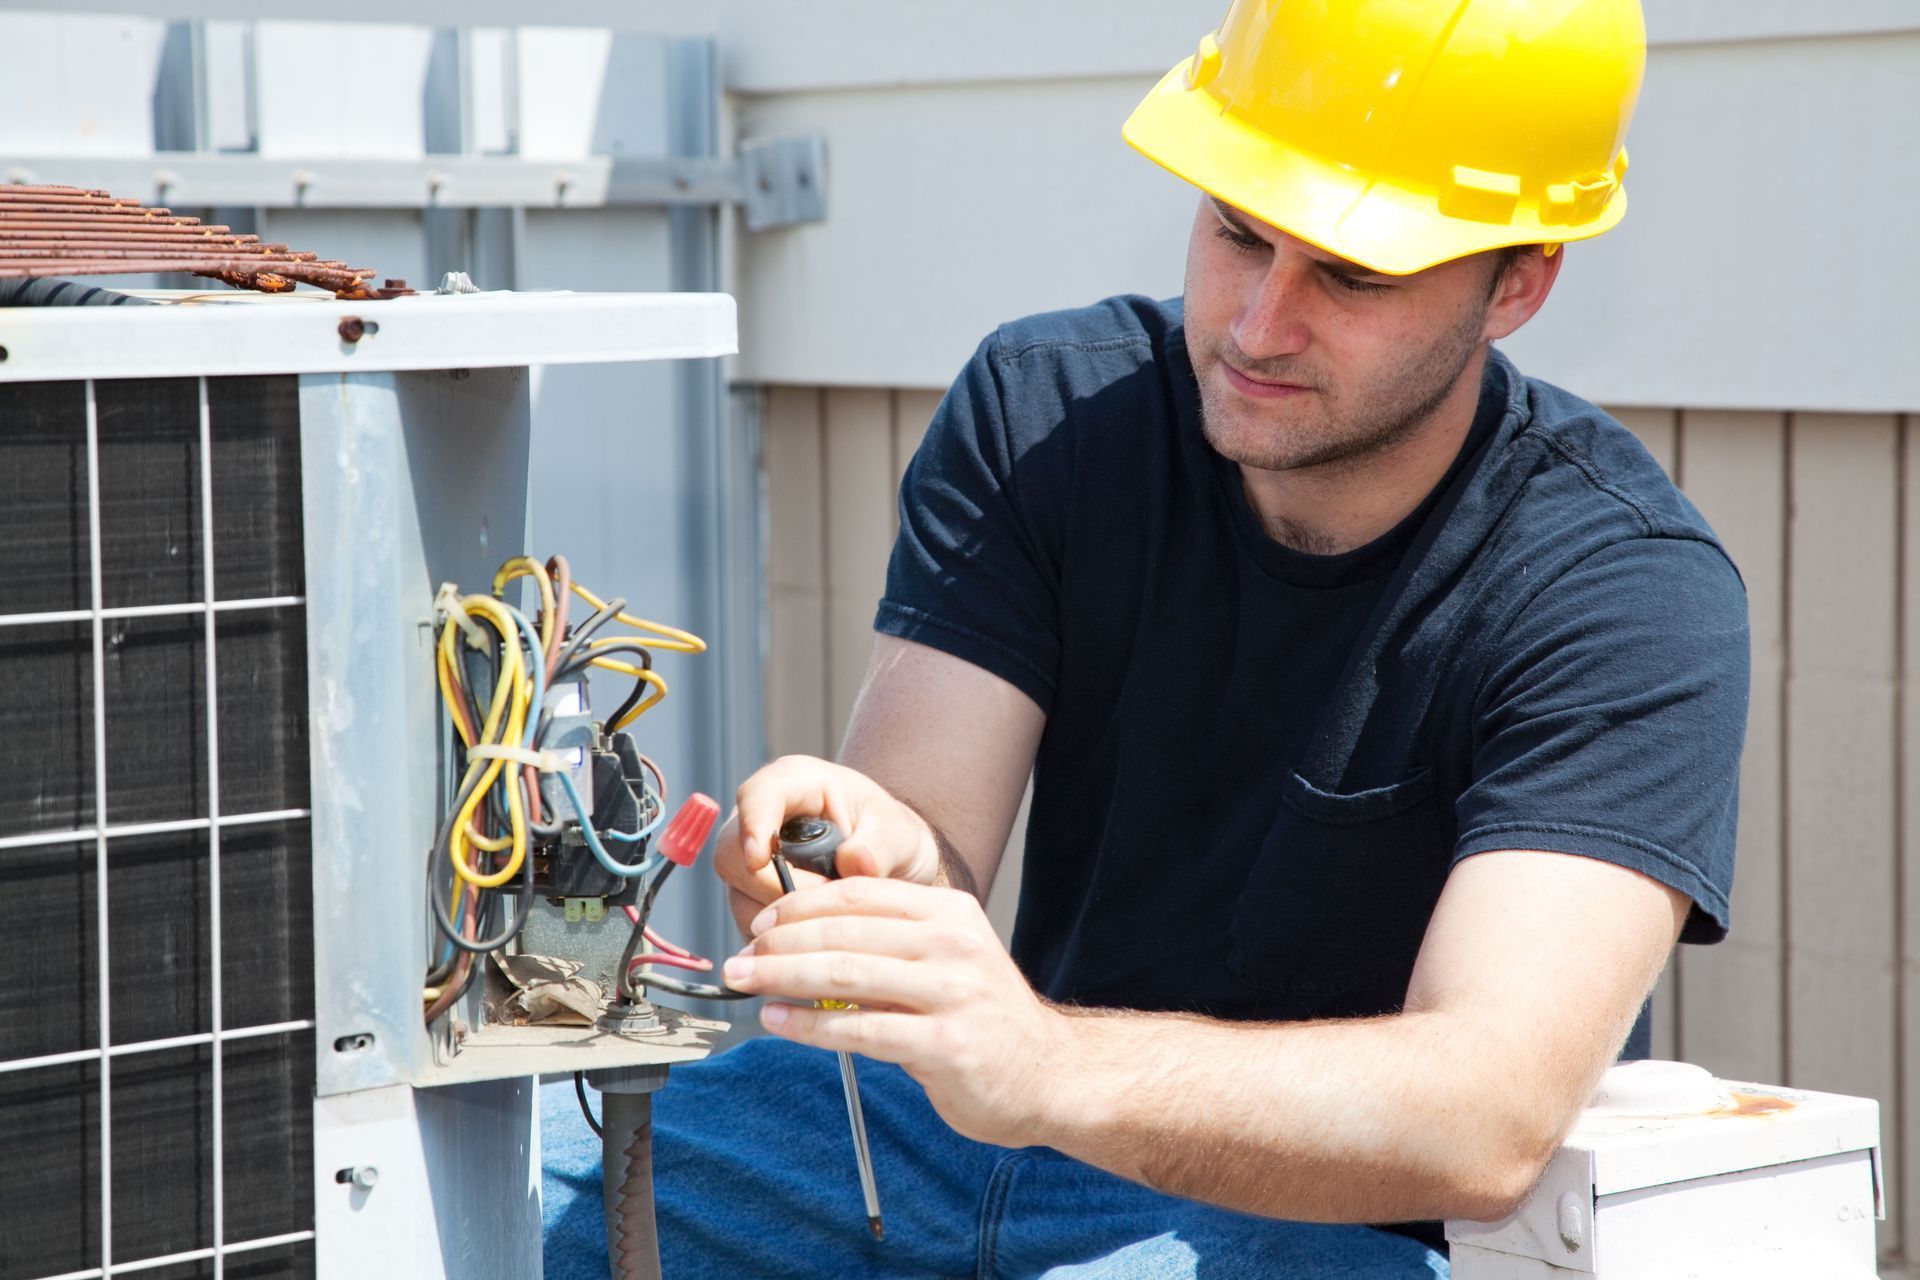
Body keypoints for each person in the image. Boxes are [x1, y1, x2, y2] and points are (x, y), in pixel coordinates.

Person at [543, 1, 1748, 1276]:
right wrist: (879, 858)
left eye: (1352, 273)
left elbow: (1486, 1112)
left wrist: (1045, 1062)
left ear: (1520, 279)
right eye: (1236, 231)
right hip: (952, 1134)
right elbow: (927, 853)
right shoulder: (1045, 412)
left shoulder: (1624, 589)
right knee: (459, 1200)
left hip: (1321, 1226)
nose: (1257, 322)